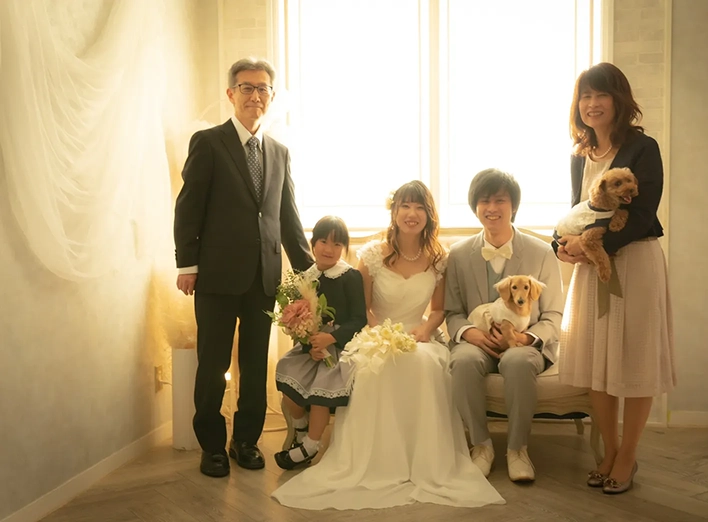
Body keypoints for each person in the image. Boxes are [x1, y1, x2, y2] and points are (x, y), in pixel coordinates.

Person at [271, 181, 504, 509]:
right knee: (374, 368)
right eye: (405, 206)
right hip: (375, 332)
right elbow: (362, 307)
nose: (412, 213)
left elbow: (438, 310)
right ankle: (375, 460)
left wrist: (425, 329)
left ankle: (421, 459)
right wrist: (378, 331)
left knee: (424, 363)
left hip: (419, 335)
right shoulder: (372, 254)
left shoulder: (439, 258)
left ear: (429, 215)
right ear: (394, 212)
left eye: (419, 207)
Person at [173, 57, 312, 478]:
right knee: (212, 366)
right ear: (231, 94)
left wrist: (309, 272)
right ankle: (212, 446)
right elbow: (188, 208)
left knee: (254, 367)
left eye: (262, 88)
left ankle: (246, 441)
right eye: (247, 87)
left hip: (263, 278)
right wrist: (187, 264)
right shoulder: (208, 143)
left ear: (271, 96)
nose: (255, 95)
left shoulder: (280, 153)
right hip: (215, 277)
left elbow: (287, 217)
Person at [555, 62, 675, 494]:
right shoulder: (579, 156)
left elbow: (641, 214)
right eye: (585, 96)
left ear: (618, 100)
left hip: (635, 262)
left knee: (635, 356)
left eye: (600, 95)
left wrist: (591, 247)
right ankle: (609, 449)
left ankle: (627, 455)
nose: (592, 104)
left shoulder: (644, 148)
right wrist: (561, 245)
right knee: (596, 361)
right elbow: (577, 209)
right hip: (591, 268)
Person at [446, 168, 564, 483]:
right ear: (475, 207)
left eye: (500, 200)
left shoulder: (541, 252)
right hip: (477, 342)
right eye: (484, 201)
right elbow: (452, 311)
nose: (492, 208)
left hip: (524, 344)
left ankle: (517, 450)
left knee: (517, 361)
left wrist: (526, 339)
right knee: (463, 360)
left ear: (513, 206)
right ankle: (481, 446)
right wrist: (470, 333)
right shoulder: (458, 254)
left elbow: (554, 314)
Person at [273, 216, 367, 469]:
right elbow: (297, 319)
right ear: (313, 243)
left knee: (320, 387)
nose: (329, 249)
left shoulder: (350, 276)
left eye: (337, 244)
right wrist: (308, 344)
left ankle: (311, 445)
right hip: (311, 346)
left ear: (344, 248)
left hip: (339, 346)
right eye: (323, 241)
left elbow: (359, 319)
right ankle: (301, 427)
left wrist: (330, 338)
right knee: (286, 371)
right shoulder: (305, 277)